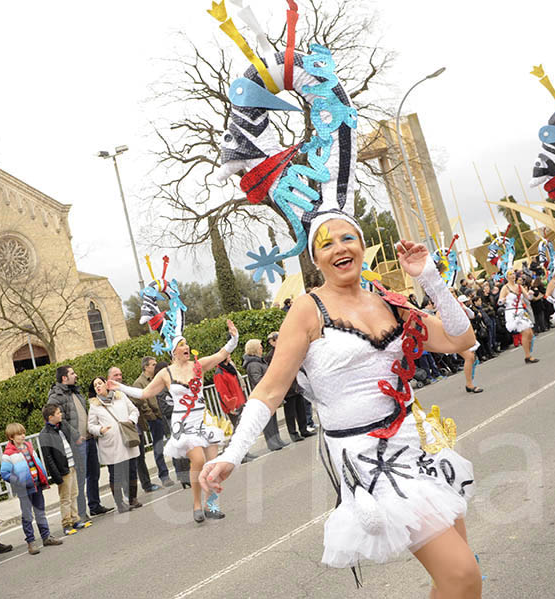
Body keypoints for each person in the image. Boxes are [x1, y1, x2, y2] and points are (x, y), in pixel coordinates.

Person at [201, 217, 481, 597]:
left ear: (362, 246)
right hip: (371, 461)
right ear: (316, 258)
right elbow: (269, 390)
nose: (340, 248)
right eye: (327, 244)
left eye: (348, 238)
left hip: (418, 446)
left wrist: (428, 277)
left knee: (454, 573)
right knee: (462, 575)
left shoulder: (390, 303)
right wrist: (232, 454)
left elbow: (461, 338)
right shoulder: (307, 310)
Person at [112, 320, 239, 523]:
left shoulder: (198, 366)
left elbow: (221, 354)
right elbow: (144, 393)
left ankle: (212, 504)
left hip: (202, 419)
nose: (186, 347)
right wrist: (120, 387)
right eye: (181, 345)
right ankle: (197, 505)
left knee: (213, 464)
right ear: (174, 351)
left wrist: (234, 337)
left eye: (186, 343)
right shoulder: (166, 373)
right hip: (184, 423)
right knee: (197, 461)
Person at [47, 365, 112, 517]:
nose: (75, 375)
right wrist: (75, 436)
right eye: (72, 373)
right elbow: (59, 420)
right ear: (64, 378)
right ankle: (81, 513)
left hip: (89, 439)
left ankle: (95, 505)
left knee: (94, 473)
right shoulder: (56, 396)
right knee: (80, 479)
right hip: (76, 443)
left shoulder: (76, 392)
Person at [0, 423, 61, 554]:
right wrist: (19, 482)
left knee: (40, 512)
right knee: (27, 515)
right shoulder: (8, 454)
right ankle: (31, 541)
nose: (23, 436)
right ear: (11, 437)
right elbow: (5, 473)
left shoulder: (29, 446)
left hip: (36, 483)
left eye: (23, 433)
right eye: (19, 434)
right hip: (24, 489)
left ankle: (46, 536)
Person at [87, 377, 142, 513]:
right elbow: (90, 425)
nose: (98, 387)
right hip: (110, 444)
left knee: (132, 470)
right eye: (95, 386)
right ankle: (120, 503)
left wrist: (131, 421)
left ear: (106, 384)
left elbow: (134, 410)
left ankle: (133, 499)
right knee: (115, 474)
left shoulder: (120, 396)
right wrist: (100, 430)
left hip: (126, 439)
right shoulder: (94, 405)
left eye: (100, 383)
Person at [39, 403, 91, 535]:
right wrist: (56, 475)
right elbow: (48, 457)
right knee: (65, 498)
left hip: (72, 464)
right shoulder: (45, 434)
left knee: (74, 494)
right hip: (62, 469)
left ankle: (75, 519)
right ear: (50, 417)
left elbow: (73, 441)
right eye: (57, 413)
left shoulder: (62, 426)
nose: (60, 414)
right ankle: (66, 524)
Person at [108, 366, 160, 493]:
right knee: (126, 462)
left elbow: (139, 400)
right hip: (121, 432)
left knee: (140, 458)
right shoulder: (107, 392)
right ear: (109, 377)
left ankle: (146, 484)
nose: (119, 377)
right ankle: (128, 491)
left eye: (120, 374)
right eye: (116, 375)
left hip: (136, 429)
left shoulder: (126, 388)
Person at [133, 357, 175, 488]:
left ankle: (180, 470)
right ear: (146, 367)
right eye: (153, 364)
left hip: (165, 415)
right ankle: (164, 475)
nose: (155, 366)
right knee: (158, 448)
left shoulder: (159, 378)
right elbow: (142, 402)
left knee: (173, 442)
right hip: (155, 419)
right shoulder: (139, 383)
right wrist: (152, 416)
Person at [266, 332, 314, 441]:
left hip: (296, 384)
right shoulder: (270, 356)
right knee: (290, 412)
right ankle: (293, 433)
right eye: (276, 339)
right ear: (272, 342)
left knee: (300, 409)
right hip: (286, 387)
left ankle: (304, 429)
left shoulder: (287, 350)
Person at [242, 339, 288, 451]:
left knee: (272, 417)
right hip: (263, 395)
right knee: (267, 419)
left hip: (268, 393)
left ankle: (277, 439)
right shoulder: (253, 364)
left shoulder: (259, 362)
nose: (262, 348)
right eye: (260, 346)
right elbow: (257, 379)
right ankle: (272, 442)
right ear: (255, 349)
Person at [153, 361, 192, 488]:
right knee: (179, 448)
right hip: (172, 420)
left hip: (180, 418)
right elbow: (165, 408)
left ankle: (187, 474)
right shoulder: (161, 388)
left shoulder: (172, 383)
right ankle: (183, 476)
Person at [502, 270, 540, 363]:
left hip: (521, 311)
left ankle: (528, 353)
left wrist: (531, 294)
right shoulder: (505, 288)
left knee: (530, 333)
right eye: (510, 274)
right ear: (507, 277)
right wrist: (503, 300)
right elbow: (500, 300)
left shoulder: (519, 286)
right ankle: (527, 356)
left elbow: (528, 297)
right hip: (512, 312)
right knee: (526, 332)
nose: (513, 276)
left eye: (514, 274)